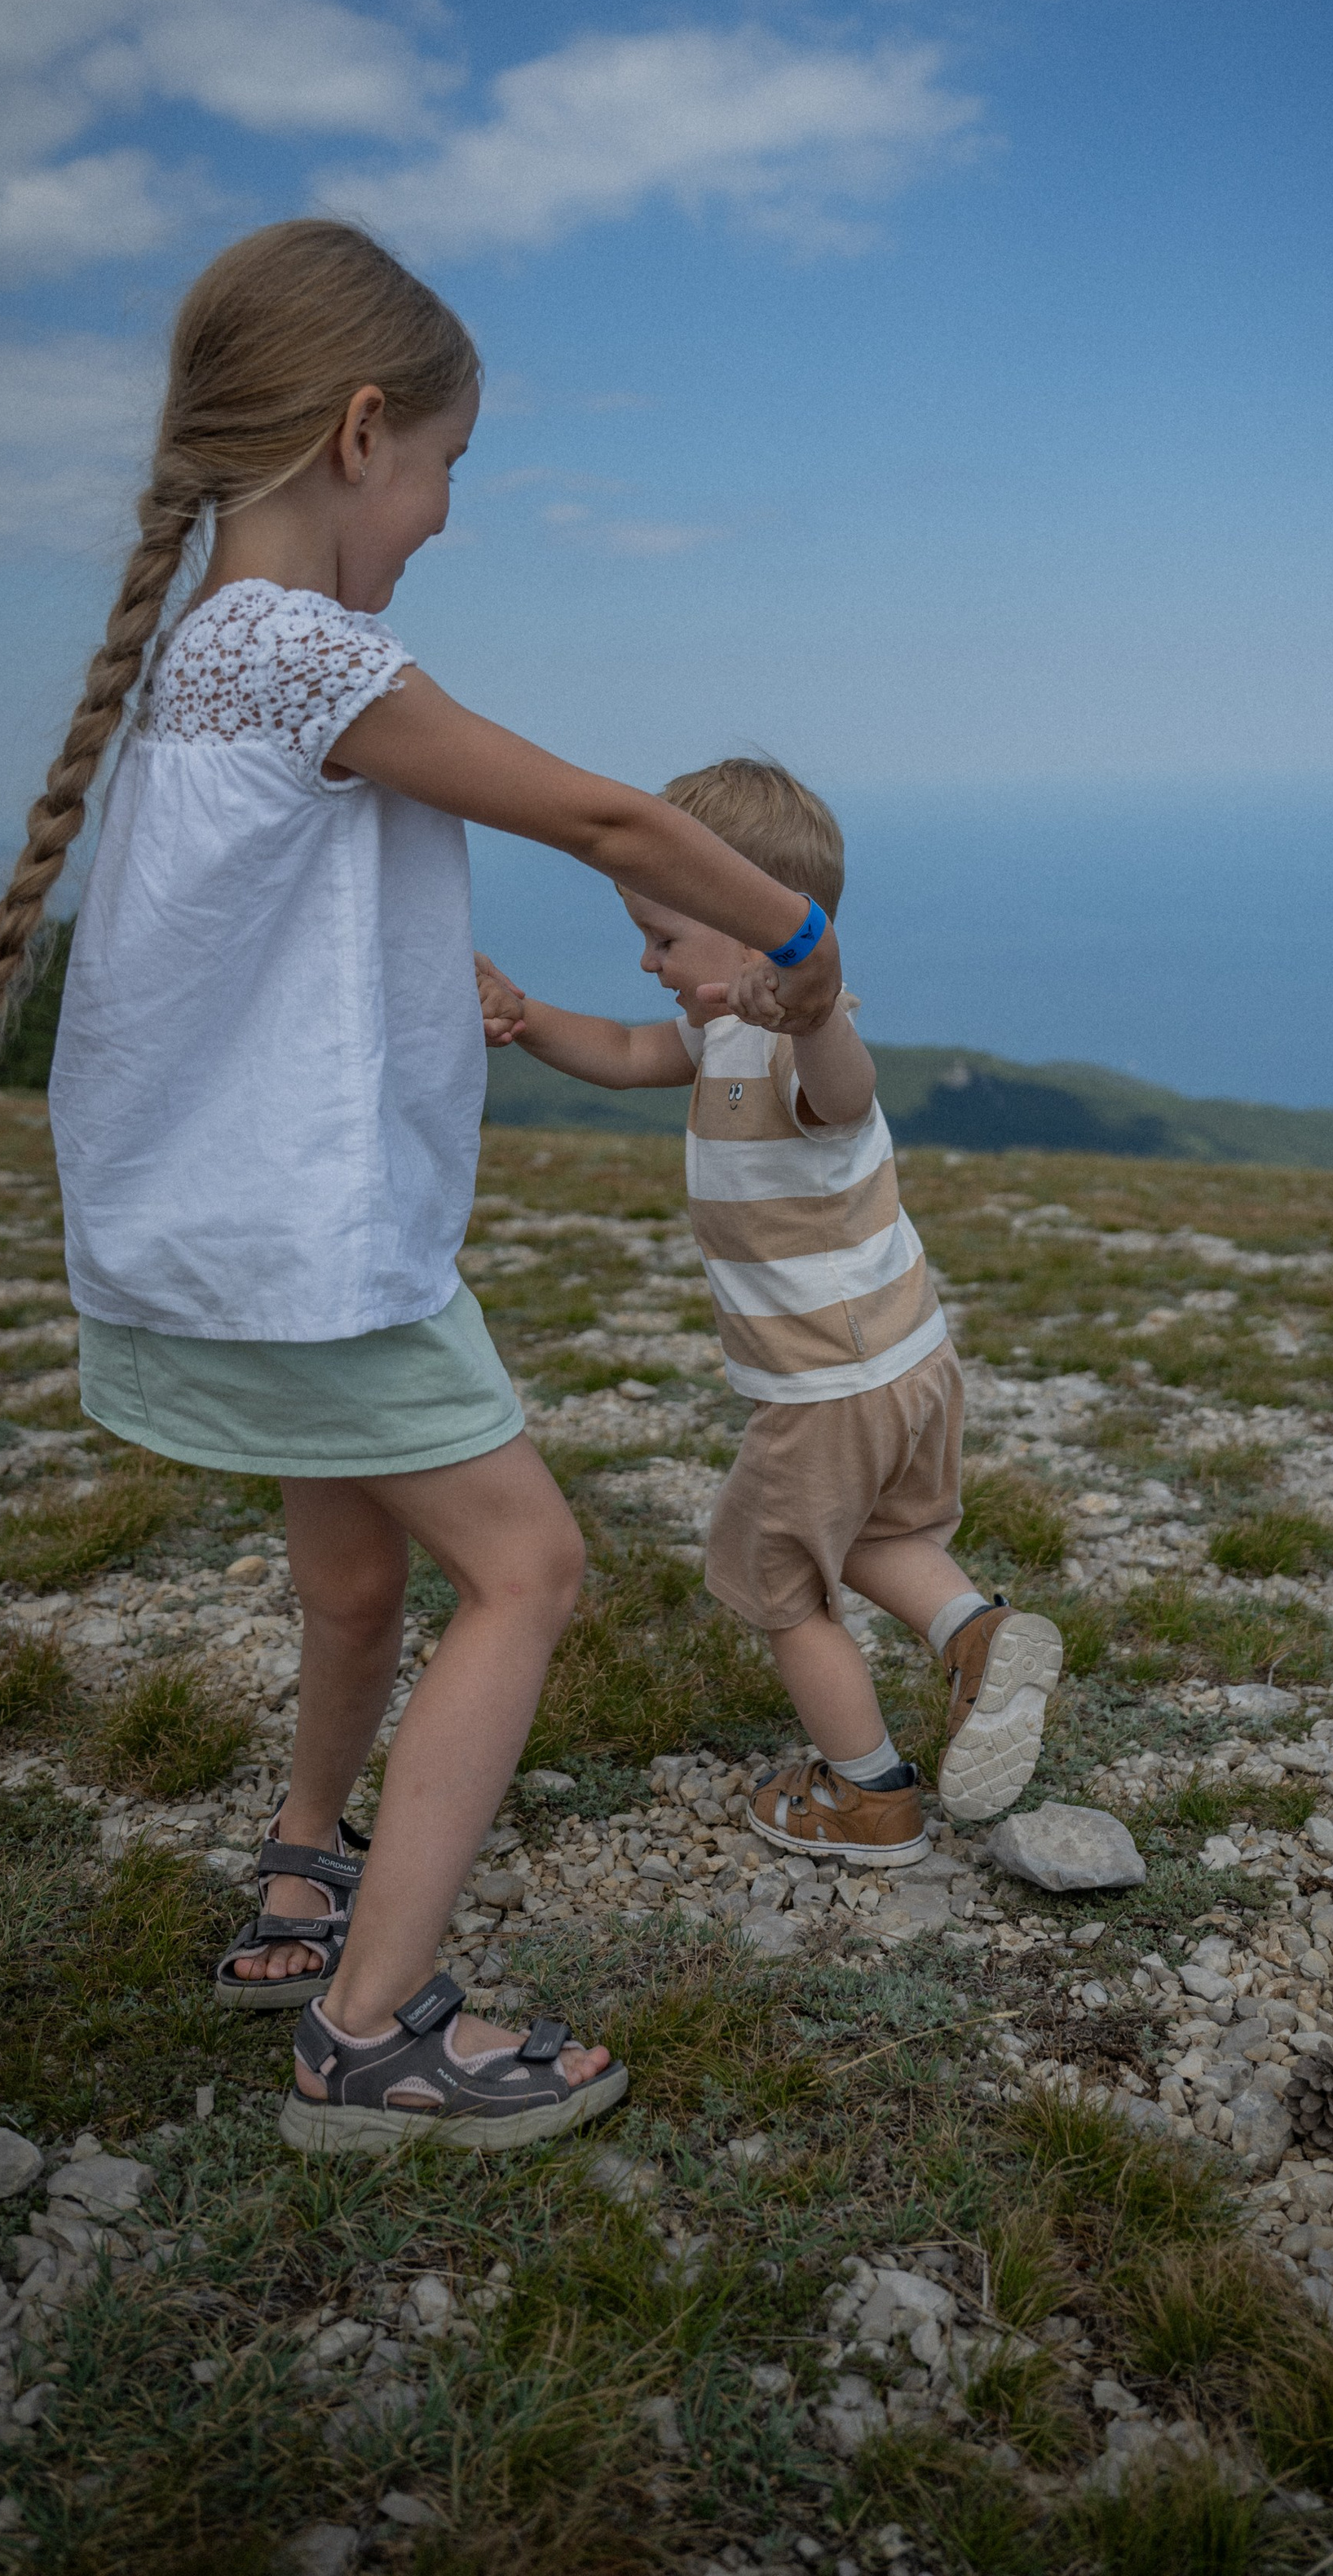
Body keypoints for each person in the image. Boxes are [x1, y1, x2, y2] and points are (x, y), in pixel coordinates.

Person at [0, 221, 848, 2158]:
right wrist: (800, 936)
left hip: (210, 1243)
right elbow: (614, 820)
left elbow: (257, 929)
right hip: (313, 1259)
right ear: (363, 433)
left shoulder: (207, 654)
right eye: (448, 465)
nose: (448, 514)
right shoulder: (307, 649)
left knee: (358, 1576)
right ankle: (371, 2035)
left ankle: (305, 1874)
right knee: (527, 1572)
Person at [475, 757, 1062, 1870]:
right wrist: (528, 1015)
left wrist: (812, 1008)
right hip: (907, 1362)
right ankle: (981, 1636)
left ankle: (867, 1794)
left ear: (757, 930)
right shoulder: (717, 1031)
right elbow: (629, 1052)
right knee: (884, 1535)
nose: (644, 960)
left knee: (781, 1591)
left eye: (662, 936)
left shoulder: (804, 1044)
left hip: (828, 1387)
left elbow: (841, 1089)